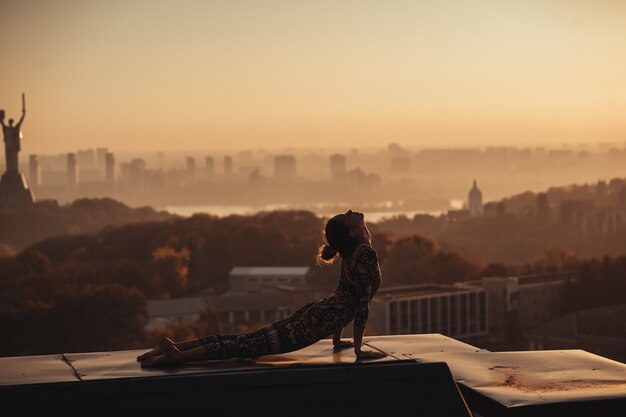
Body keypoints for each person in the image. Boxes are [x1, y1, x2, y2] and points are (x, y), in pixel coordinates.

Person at [138, 210, 387, 367]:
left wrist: (337, 340)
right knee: (246, 347)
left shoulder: (355, 251)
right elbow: (360, 302)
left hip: (317, 313)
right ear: (352, 231)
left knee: (246, 340)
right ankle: (177, 355)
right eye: (347, 216)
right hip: (317, 321)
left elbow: (344, 295)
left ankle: (175, 346)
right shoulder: (363, 253)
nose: (351, 211)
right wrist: (357, 349)